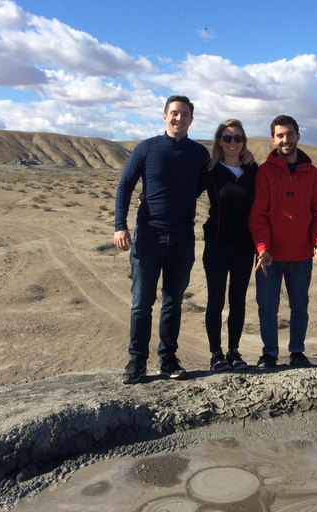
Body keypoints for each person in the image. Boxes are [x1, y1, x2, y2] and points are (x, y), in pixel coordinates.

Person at [114, 95, 209, 384]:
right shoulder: (147, 148)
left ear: (192, 119)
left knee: (173, 302)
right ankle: (136, 361)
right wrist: (120, 226)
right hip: (148, 236)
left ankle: (167, 358)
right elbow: (125, 185)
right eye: (174, 114)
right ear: (164, 116)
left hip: (182, 237)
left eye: (184, 114)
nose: (179, 118)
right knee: (142, 302)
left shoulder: (199, 154)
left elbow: (201, 187)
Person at [248, 115, 317, 369]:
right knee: (267, 307)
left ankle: (297, 351)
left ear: (298, 136)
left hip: (300, 255)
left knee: (299, 305)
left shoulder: (313, 175)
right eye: (280, 135)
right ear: (273, 139)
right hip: (269, 257)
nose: (286, 140)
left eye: (290, 134)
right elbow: (258, 215)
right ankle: (269, 353)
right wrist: (262, 248)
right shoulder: (264, 173)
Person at [198, 119, 258, 371]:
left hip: (245, 247)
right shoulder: (210, 171)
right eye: (227, 138)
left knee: (238, 300)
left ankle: (234, 351)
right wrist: (147, 196)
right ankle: (215, 354)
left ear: (243, 142)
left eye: (237, 138)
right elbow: (182, 191)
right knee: (215, 300)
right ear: (219, 141)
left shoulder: (254, 171)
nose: (232, 143)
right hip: (216, 246)